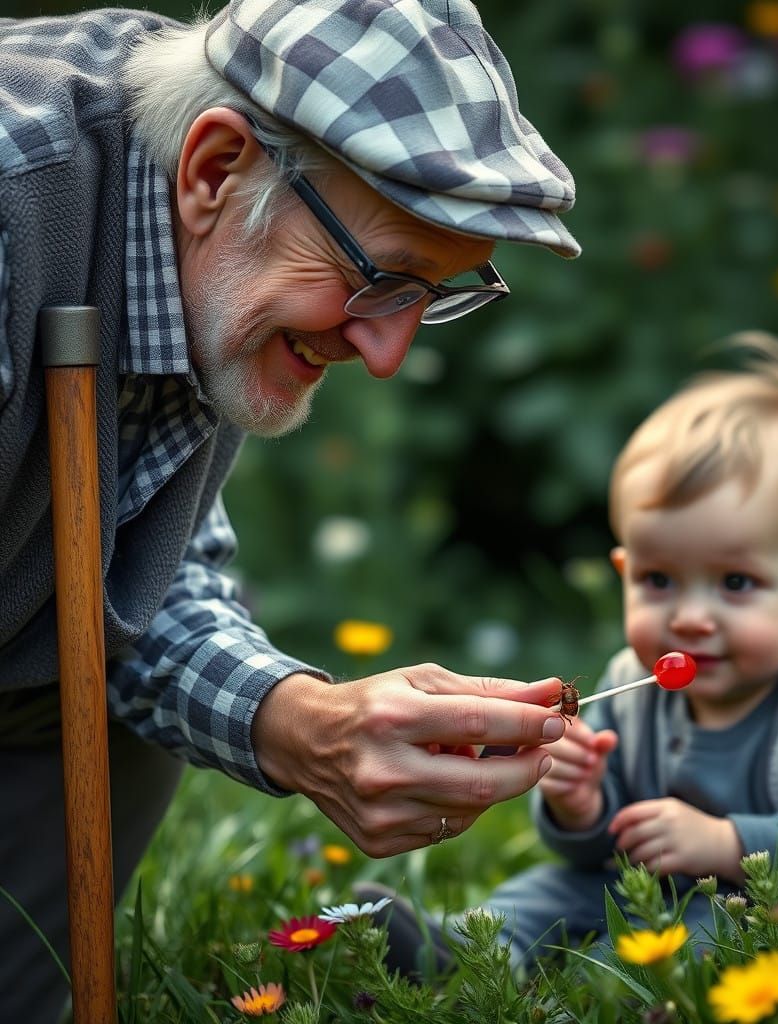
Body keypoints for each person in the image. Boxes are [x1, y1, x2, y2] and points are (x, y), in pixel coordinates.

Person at [0, 1, 580, 1018]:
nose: (387, 354)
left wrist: (301, 723)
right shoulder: (20, 208)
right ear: (215, 169)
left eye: (430, 294)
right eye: (382, 278)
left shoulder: (205, 257)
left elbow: (132, 580)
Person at [361, 333, 778, 975]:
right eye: (658, 579)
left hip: (765, 900)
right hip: (634, 885)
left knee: (720, 933)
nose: (690, 618)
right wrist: (582, 805)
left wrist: (728, 844)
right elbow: (597, 852)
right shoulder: (632, 682)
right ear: (624, 572)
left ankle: (616, 983)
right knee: (548, 892)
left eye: (736, 582)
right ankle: (474, 955)